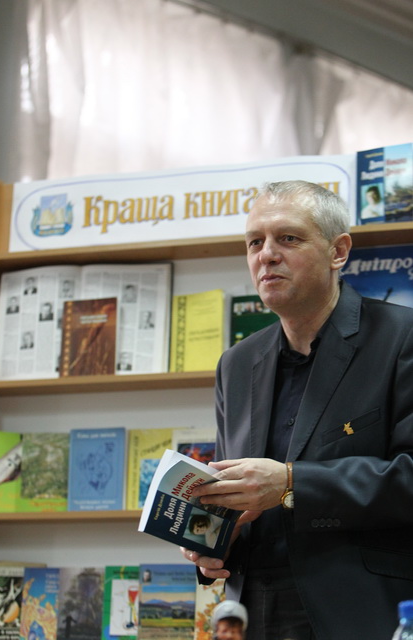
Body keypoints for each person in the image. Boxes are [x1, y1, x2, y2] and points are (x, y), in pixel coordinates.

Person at [181, 180, 413, 640]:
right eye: (254, 242)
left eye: (287, 238)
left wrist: (291, 484)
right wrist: (208, 538)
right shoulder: (237, 363)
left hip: (361, 613)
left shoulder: (401, 337)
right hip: (251, 612)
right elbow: (231, 491)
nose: (266, 255)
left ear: (338, 251)